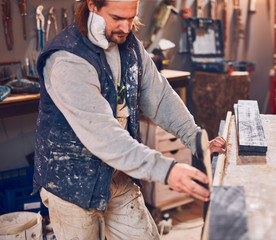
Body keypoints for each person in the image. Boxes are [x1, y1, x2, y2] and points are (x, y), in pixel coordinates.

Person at [33, 0, 226, 239]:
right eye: (116, 18)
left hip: (116, 176)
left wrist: (196, 139)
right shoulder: (67, 59)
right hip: (71, 185)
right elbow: (104, 136)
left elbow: (160, 96)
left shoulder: (129, 45)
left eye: (131, 18)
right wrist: (167, 171)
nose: (125, 28)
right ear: (92, 6)